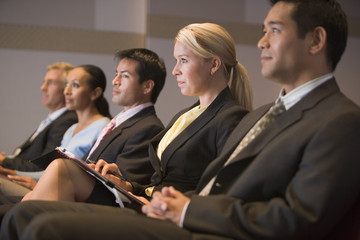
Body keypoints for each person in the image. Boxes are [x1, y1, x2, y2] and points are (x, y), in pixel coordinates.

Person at [2, 0, 359, 239]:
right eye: (263, 30)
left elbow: (299, 219)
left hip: (207, 229)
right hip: (181, 214)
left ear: (316, 40)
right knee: (24, 217)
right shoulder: (264, 115)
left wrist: (189, 210)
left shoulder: (339, 120)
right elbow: (215, 182)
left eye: (274, 30)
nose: (261, 42)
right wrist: (137, 190)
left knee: (46, 226)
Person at [20, 23, 252, 205]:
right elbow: (158, 183)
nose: (175, 70)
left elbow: (220, 191)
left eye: (183, 60)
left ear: (213, 65)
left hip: (165, 213)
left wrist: (158, 202)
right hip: (146, 201)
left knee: (61, 171)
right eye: (176, 61)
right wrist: (128, 185)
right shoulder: (185, 115)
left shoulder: (232, 117)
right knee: (37, 199)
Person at [0, 64, 112, 195]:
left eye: (75, 85)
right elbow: (50, 170)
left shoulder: (103, 127)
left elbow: (87, 177)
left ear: (95, 93)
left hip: (63, 194)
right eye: (66, 85)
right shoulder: (72, 129)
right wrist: (14, 172)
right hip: (47, 186)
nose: (67, 91)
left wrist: (38, 183)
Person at [0, 62, 77, 172]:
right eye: (44, 82)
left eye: (51, 83)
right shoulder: (52, 120)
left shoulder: (66, 121)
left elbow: (43, 166)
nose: (42, 88)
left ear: (66, 89)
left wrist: (4, 161)